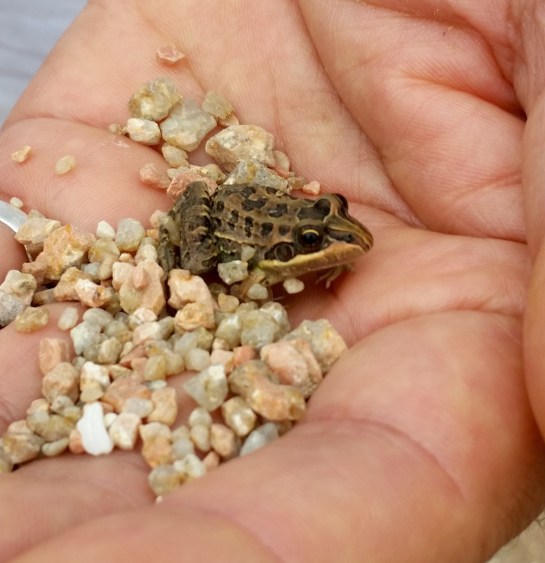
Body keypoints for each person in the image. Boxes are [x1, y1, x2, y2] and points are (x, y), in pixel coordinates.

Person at [1, 1, 544, 561]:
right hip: (191, 200)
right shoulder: (268, 259)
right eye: (312, 242)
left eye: (332, 214)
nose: (342, 236)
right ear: (294, 248)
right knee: (201, 262)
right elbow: (253, 271)